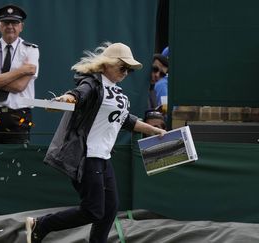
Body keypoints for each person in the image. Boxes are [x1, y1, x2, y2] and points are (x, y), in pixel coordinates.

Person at [25, 42, 166, 243]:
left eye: (129, 70)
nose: (126, 72)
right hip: (87, 156)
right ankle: (42, 225)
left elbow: (126, 120)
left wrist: (154, 130)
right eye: (122, 67)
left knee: (109, 210)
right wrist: (65, 99)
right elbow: (78, 94)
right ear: (107, 64)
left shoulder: (116, 91)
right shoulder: (92, 83)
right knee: (93, 210)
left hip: (103, 158)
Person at [0, 4, 39, 144]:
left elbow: (20, 86)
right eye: (6, 22)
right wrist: (21, 71)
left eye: (15, 22)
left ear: (21, 26)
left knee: (17, 163)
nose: (10, 26)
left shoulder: (31, 50)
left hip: (19, 117)